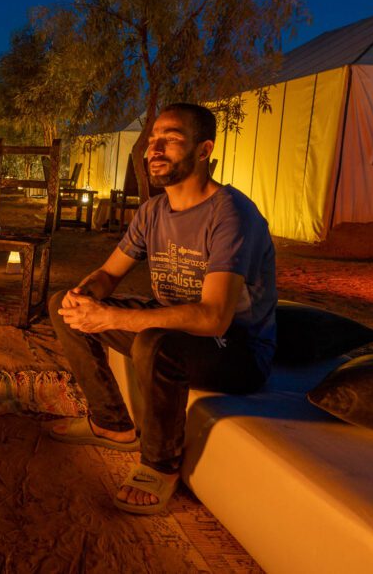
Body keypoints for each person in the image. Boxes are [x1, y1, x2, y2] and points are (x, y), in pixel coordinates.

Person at [45, 103, 277, 515]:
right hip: (171, 325)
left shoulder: (231, 214)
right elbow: (109, 275)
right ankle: (111, 423)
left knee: (154, 343)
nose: (155, 148)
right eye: (153, 139)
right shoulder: (153, 211)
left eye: (170, 139)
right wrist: (84, 293)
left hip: (234, 349)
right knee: (62, 306)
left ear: (203, 151)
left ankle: (160, 464)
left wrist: (113, 317)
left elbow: (213, 318)